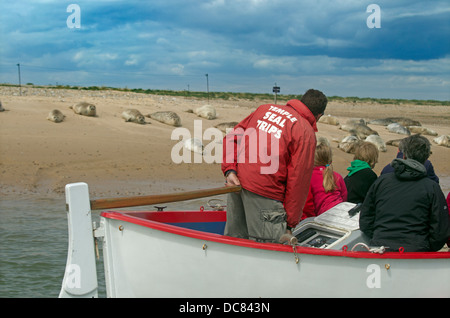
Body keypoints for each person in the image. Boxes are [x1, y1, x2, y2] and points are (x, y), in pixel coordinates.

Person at [222, 89, 328, 243]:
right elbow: (298, 181)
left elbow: (233, 136)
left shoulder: (264, 109)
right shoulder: (305, 131)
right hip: (266, 195)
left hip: (236, 185)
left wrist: (230, 171)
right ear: (319, 116)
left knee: (233, 243)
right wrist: (291, 223)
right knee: (269, 253)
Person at [359, 134, 449, 252]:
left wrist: (379, 238)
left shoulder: (382, 181)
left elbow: (365, 219)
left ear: (404, 155)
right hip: (415, 251)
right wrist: (425, 248)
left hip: (381, 248)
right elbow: (440, 231)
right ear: (426, 158)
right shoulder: (432, 188)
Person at [301, 138, 347, 219]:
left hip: (324, 217)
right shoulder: (337, 176)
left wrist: (311, 220)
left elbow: (307, 205)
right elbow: (344, 197)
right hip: (341, 213)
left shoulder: (309, 177)